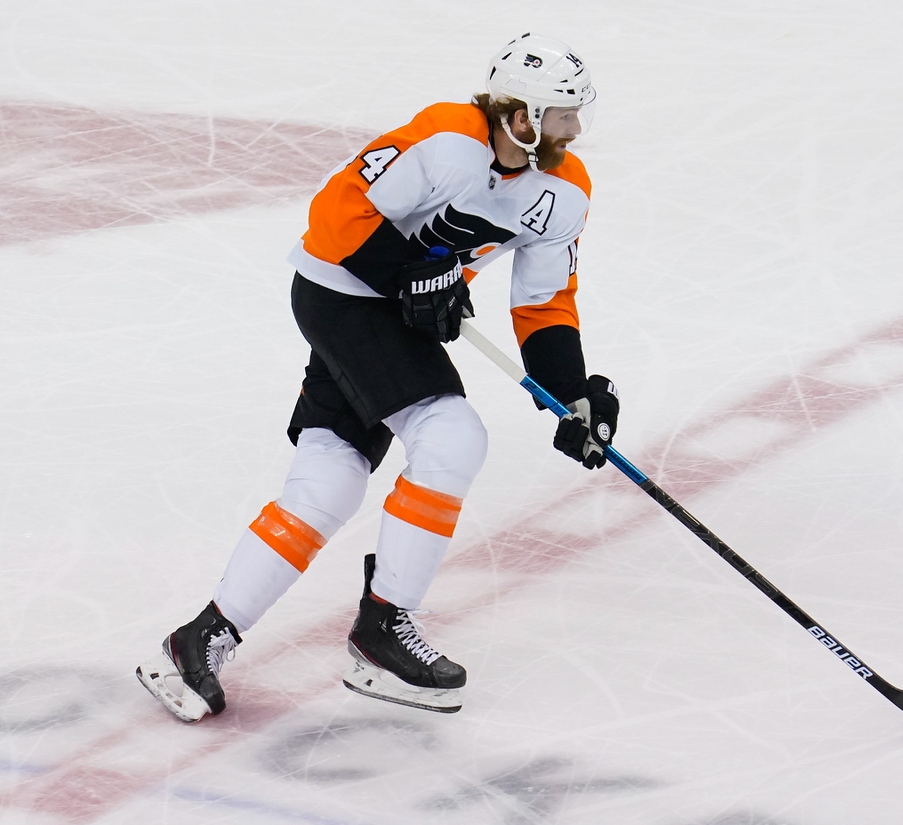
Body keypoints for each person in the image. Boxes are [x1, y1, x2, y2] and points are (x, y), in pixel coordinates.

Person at [136, 33, 619, 720]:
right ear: (521, 118)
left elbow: (543, 301)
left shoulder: (564, 190)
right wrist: (411, 274)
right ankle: (384, 626)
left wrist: (569, 392)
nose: (575, 131)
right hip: (340, 293)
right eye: (563, 116)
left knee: (329, 478)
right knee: (453, 437)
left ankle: (200, 638)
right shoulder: (447, 138)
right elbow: (335, 216)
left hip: (395, 316)